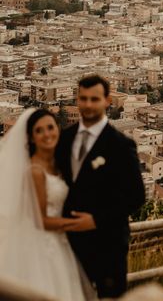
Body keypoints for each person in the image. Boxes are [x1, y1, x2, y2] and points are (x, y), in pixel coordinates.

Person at [56, 75, 146, 299]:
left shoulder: (120, 145)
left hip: (108, 241)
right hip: (70, 242)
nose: (87, 105)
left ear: (107, 101)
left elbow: (136, 196)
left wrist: (96, 220)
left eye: (94, 99)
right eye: (83, 98)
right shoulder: (65, 139)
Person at [0, 108, 93, 300]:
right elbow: (40, 220)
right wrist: (77, 224)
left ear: (58, 129)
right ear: (32, 138)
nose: (46, 134)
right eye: (39, 131)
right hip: (42, 244)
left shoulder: (56, 165)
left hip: (58, 241)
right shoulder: (35, 171)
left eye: (50, 128)